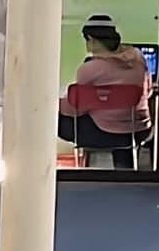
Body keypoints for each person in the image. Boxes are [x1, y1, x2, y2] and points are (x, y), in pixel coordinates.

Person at [58, 14, 152, 169]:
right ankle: (125, 170)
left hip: (104, 133)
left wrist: (56, 103)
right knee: (120, 118)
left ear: (91, 40)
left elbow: (76, 108)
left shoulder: (89, 69)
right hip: (139, 131)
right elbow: (147, 92)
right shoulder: (138, 59)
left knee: (53, 118)